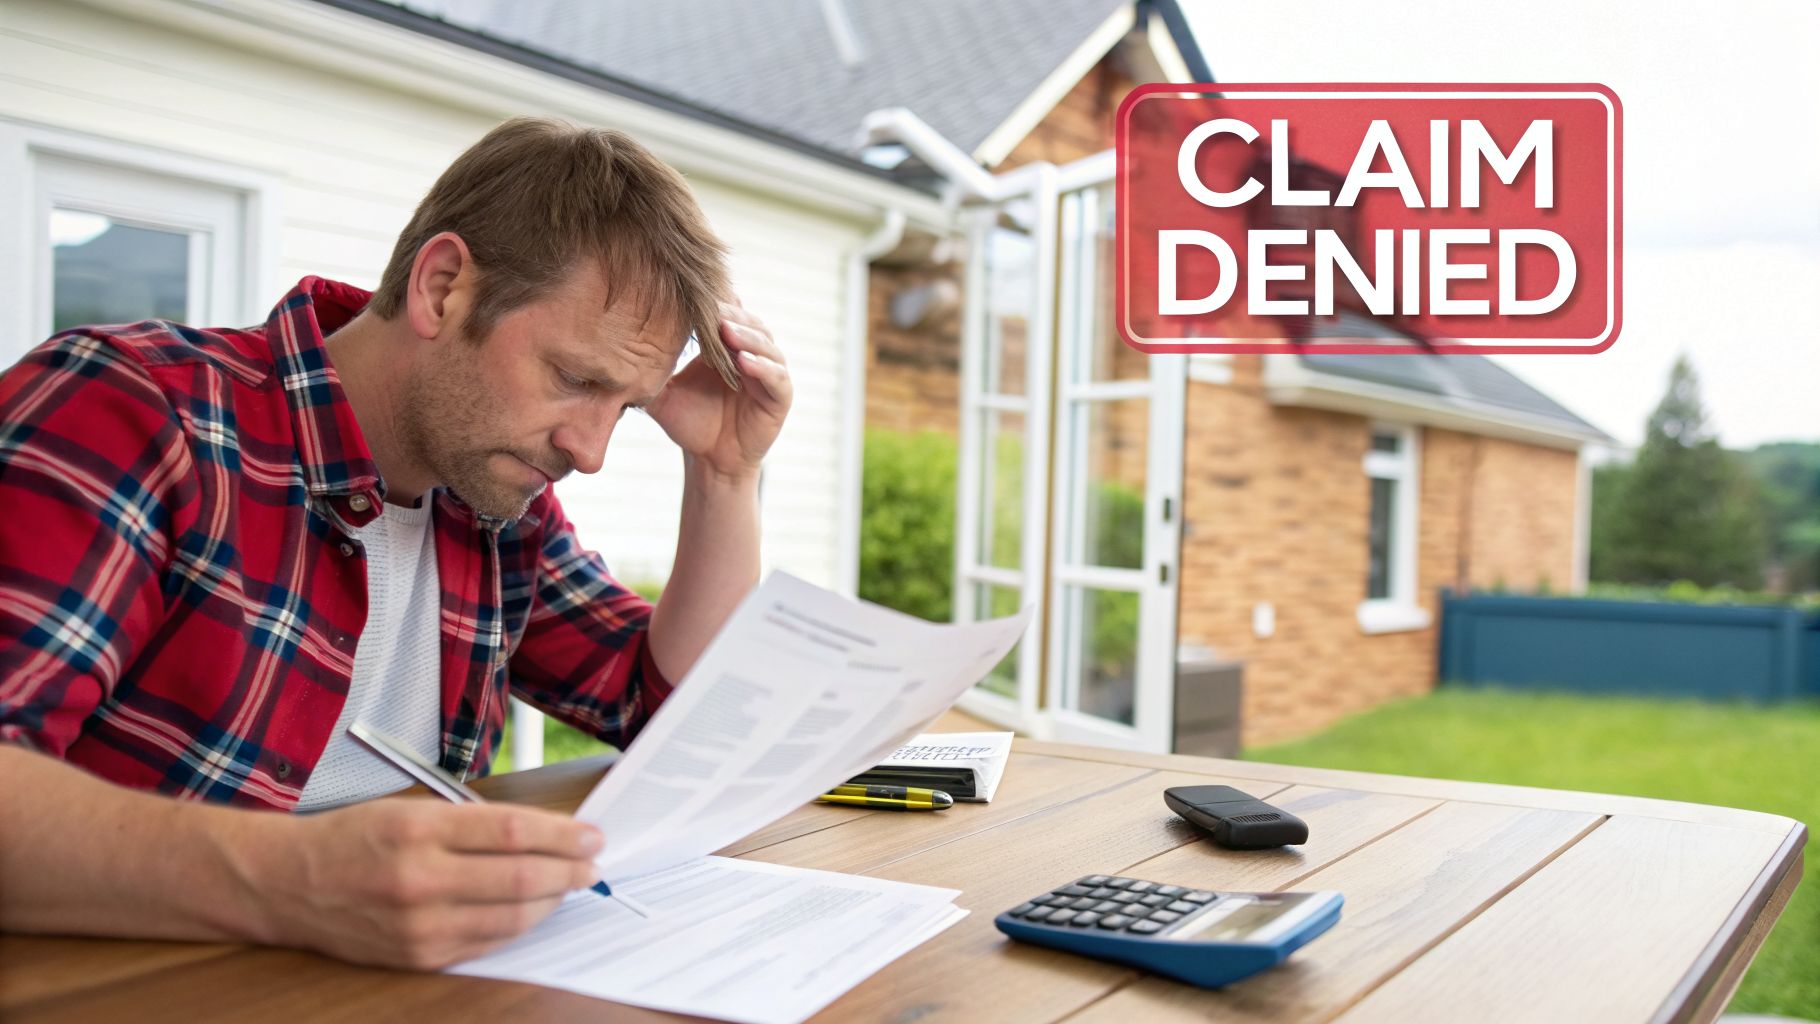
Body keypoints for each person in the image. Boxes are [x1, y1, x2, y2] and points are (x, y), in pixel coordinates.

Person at [0, 117, 792, 969]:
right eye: (576, 379)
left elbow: (676, 716)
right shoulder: (133, 412)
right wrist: (297, 878)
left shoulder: (497, 510)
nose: (590, 453)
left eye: (625, 409)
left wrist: (724, 475)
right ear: (443, 286)